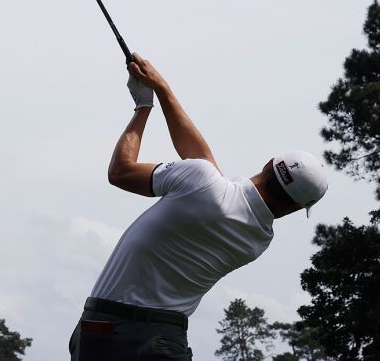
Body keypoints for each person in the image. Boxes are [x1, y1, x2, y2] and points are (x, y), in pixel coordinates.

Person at [69, 54, 328, 361]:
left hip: (108, 327)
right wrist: (162, 89)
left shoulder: (201, 182)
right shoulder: (257, 241)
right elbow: (206, 169)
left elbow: (121, 172)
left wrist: (144, 106)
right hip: (166, 341)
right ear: (297, 208)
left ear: (269, 162)